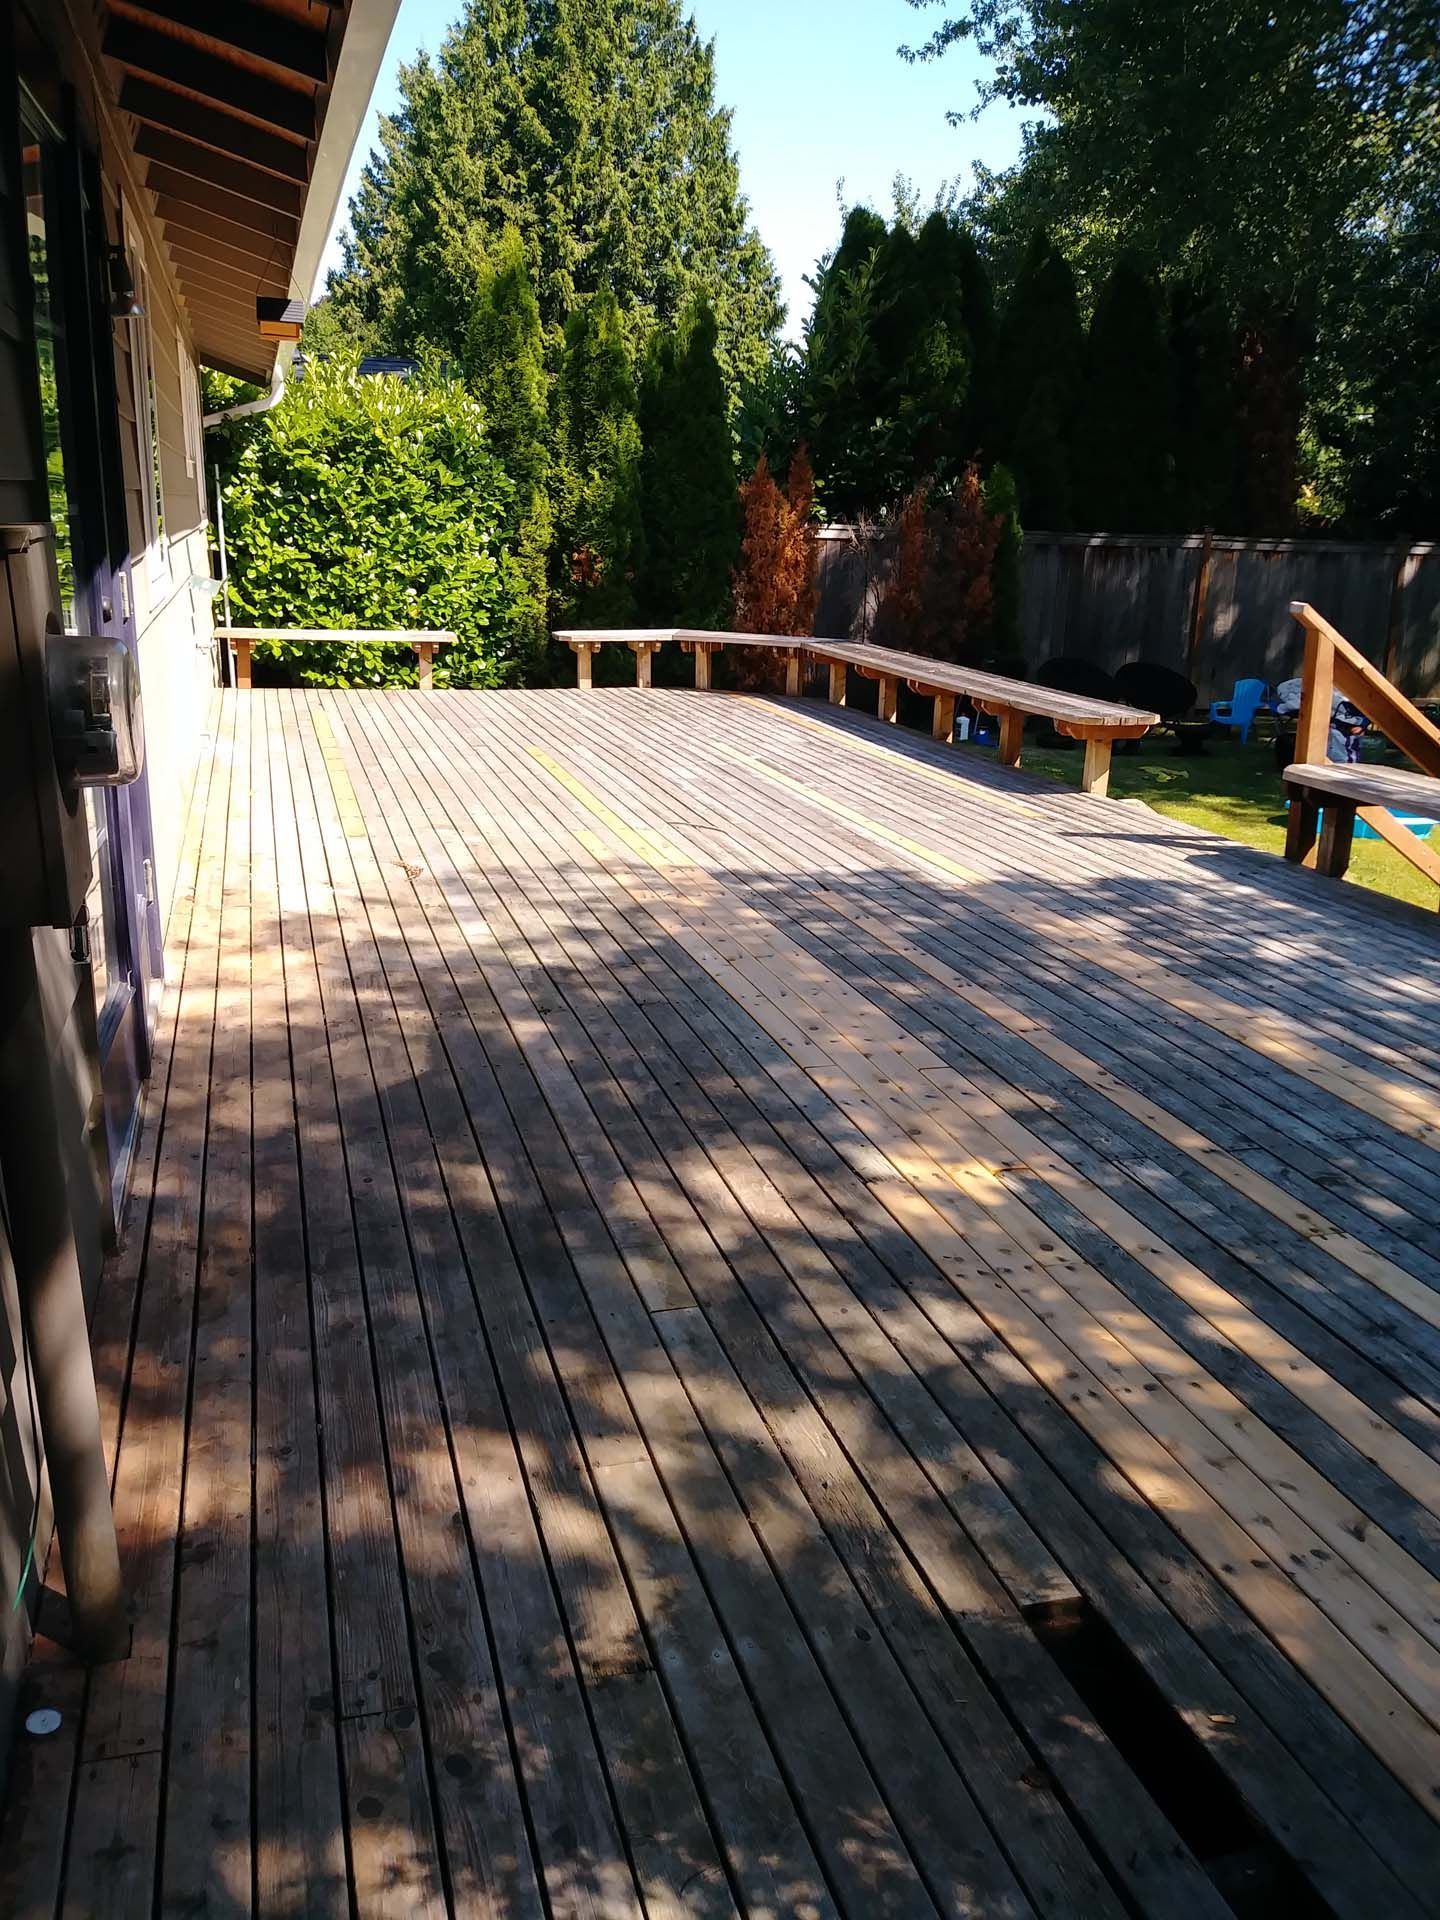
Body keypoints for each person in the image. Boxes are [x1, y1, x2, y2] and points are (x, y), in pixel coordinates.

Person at [1274, 676, 1369, 767]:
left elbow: (1369, 711)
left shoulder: (1359, 693)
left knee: (1344, 758)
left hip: (1348, 728)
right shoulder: (1327, 686)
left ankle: (1344, 771)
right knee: (1329, 752)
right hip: (1329, 724)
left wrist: (1363, 724)